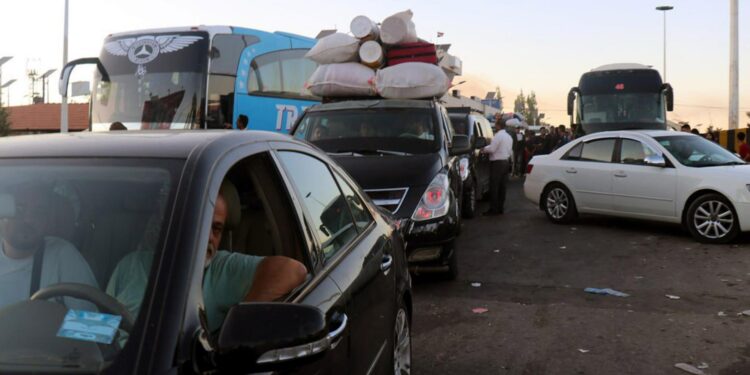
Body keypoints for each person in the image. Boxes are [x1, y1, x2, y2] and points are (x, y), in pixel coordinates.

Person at [107, 181, 307, 333]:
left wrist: (238, 323)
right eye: (200, 225)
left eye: (217, 229)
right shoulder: (131, 264)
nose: (209, 237)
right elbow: (97, 328)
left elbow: (290, 270)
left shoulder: (220, 268)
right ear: (175, 223)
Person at [0, 186, 98, 309]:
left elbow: (92, 324)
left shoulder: (63, 255)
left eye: (39, 212)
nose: (28, 219)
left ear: (48, 219)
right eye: (19, 209)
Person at [482, 119, 513, 215]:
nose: (495, 126)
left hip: (497, 163)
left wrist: (483, 149)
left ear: (499, 126)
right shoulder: (509, 137)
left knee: (494, 187)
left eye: (496, 125)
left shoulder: (498, 136)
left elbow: (492, 149)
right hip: (505, 162)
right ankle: (500, 208)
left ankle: (493, 209)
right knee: (502, 187)